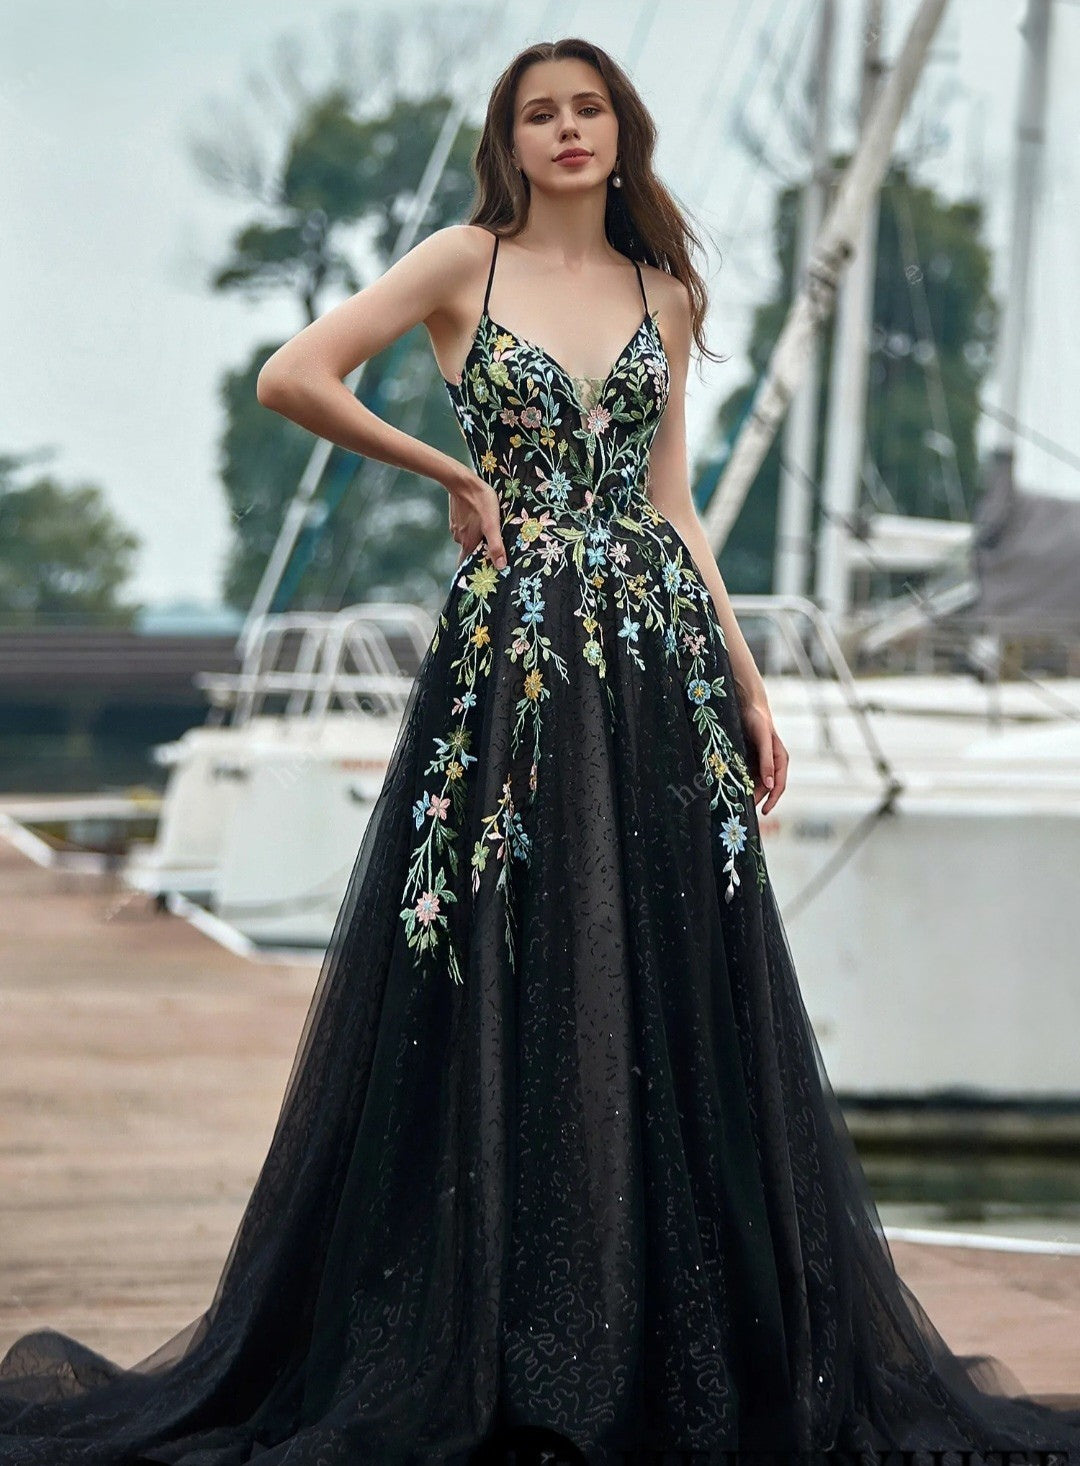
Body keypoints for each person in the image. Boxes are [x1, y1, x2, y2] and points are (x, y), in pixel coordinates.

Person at [1, 33, 1078, 1466]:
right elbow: (292, 374)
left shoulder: (667, 289)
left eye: (587, 110)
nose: (565, 132)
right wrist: (448, 466)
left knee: (668, 974)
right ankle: (501, 1333)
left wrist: (747, 681)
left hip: (658, 668)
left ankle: (662, 1331)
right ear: (509, 143)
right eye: (537, 115)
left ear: (621, 133)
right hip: (507, 664)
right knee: (505, 964)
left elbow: (679, 504)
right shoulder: (464, 263)